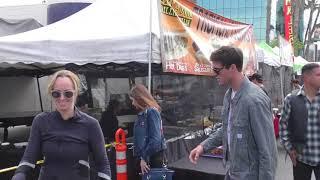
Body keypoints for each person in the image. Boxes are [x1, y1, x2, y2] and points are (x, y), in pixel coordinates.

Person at [189, 46, 277, 180]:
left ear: (232, 68)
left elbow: (268, 151)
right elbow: (227, 129)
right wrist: (203, 146)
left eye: (217, 70)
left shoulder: (255, 100)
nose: (214, 74)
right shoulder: (229, 95)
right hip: (233, 172)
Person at [11, 70, 111, 180]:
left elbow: (103, 164)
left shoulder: (91, 124)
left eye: (68, 93)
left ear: (76, 93)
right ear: (51, 94)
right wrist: (19, 175)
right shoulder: (41, 121)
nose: (62, 98)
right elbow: (28, 158)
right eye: (56, 94)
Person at [280, 63, 320, 180]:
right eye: (318, 75)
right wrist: (290, 149)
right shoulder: (291, 99)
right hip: (301, 158)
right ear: (306, 77)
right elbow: (283, 126)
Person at [129, 84, 166, 175]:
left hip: (152, 160)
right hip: (148, 159)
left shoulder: (151, 112)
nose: (132, 103)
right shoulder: (144, 114)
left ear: (139, 99)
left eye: (133, 100)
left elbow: (155, 140)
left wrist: (144, 158)